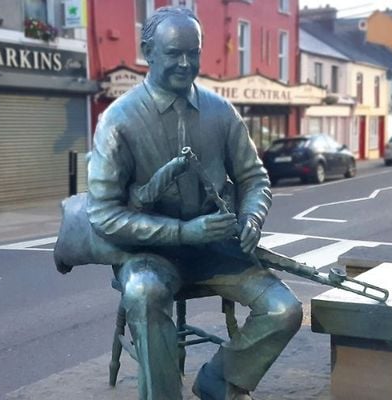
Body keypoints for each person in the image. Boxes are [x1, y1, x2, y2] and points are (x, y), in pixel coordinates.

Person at [87, 6, 302, 400]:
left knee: (285, 310)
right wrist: (182, 231)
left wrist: (252, 215)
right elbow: (102, 214)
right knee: (144, 294)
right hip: (149, 253)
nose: (186, 63)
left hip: (215, 250)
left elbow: (254, 178)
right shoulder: (118, 120)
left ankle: (219, 380)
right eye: (173, 53)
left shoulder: (221, 112)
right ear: (148, 52)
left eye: (194, 52)